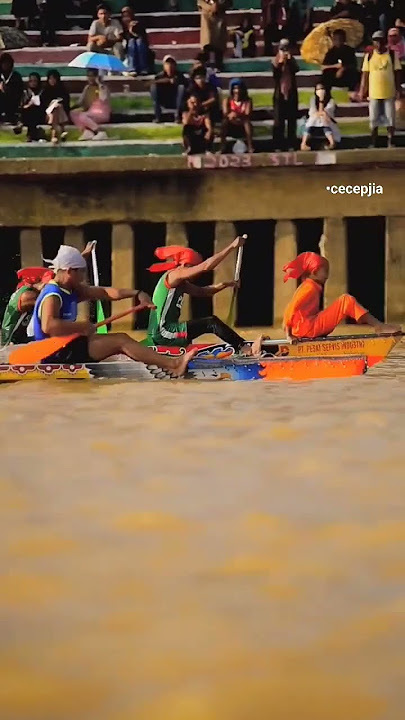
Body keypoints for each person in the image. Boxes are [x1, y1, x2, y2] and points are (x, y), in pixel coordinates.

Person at [31, 245, 197, 375]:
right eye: (81, 272)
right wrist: (81, 326)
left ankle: (161, 360)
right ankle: (175, 364)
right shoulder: (53, 294)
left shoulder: (71, 288)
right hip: (53, 353)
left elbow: (104, 292)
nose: (83, 277)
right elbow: (48, 325)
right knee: (121, 340)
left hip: (66, 346)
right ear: (69, 271)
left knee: (119, 340)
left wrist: (137, 293)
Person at [147, 238, 262, 354]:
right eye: (192, 267)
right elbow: (206, 266)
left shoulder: (179, 283)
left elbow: (203, 292)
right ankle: (244, 347)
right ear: (184, 264)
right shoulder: (174, 274)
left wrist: (225, 285)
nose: (195, 273)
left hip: (166, 331)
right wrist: (232, 246)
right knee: (210, 323)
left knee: (200, 327)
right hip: (163, 332)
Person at [282, 251, 400, 339]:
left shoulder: (310, 286)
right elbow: (291, 308)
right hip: (307, 329)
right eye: (325, 271)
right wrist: (288, 334)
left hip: (307, 327)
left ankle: (378, 325)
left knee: (342, 303)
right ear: (315, 272)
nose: (327, 276)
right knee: (346, 301)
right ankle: (378, 325)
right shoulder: (309, 288)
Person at [1, 242, 95, 346]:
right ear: (36, 283)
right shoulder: (26, 297)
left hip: (27, 338)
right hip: (12, 344)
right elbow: (57, 300)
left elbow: (63, 269)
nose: (52, 284)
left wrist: (83, 255)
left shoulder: (35, 289)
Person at [360, 30, 401, 148]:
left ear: (385, 42)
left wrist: (398, 89)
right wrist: (362, 90)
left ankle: (390, 141)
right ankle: (374, 142)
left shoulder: (392, 55)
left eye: (380, 41)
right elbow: (365, 74)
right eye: (376, 41)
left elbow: (397, 72)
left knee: (390, 118)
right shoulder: (369, 56)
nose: (378, 44)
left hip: (389, 91)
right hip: (374, 92)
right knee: (373, 119)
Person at [272, 38, 298, 151]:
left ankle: (291, 143)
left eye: (286, 48)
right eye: (282, 48)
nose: (284, 50)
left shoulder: (292, 60)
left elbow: (296, 69)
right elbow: (275, 75)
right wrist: (280, 63)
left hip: (291, 92)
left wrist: (290, 60)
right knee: (279, 120)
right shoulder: (274, 60)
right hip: (279, 93)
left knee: (292, 119)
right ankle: (278, 144)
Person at [322, 29, 361, 102]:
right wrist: (335, 66)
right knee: (325, 75)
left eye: (340, 39)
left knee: (355, 73)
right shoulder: (330, 52)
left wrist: (342, 68)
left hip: (346, 76)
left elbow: (353, 65)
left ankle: (353, 94)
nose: (338, 41)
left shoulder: (349, 50)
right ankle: (327, 96)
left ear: (344, 40)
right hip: (333, 76)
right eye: (335, 39)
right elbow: (323, 66)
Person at [70, 69, 110, 141]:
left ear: (97, 77)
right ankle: (86, 132)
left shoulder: (103, 87)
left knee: (83, 116)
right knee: (73, 113)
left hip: (101, 113)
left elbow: (103, 98)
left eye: (92, 76)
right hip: (90, 112)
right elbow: (80, 102)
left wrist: (99, 84)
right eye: (88, 76)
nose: (90, 78)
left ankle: (100, 132)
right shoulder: (87, 88)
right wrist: (70, 107)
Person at [300, 83, 341, 150]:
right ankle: (303, 144)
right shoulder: (313, 99)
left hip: (328, 121)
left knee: (323, 119)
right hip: (315, 122)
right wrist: (320, 112)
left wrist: (321, 100)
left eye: (322, 89)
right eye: (318, 89)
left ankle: (332, 143)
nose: (320, 91)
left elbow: (326, 113)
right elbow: (313, 112)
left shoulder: (331, 101)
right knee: (311, 120)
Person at [150, 55, 187, 123]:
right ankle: (157, 116)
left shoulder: (179, 75)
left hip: (176, 101)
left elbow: (186, 86)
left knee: (181, 88)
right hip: (164, 100)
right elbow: (150, 83)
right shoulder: (159, 76)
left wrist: (176, 82)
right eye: (167, 64)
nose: (169, 66)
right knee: (153, 87)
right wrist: (167, 80)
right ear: (164, 66)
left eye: (171, 64)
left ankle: (178, 116)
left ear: (175, 65)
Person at [221, 78, 254, 153]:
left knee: (247, 122)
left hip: (242, 126)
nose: (237, 91)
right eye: (235, 88)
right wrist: (232, 116)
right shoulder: (227, 100)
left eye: (239, 88)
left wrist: (236, 114)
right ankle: (222, 146)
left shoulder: (248, 101)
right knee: (224, 123)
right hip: (231, 126)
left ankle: (250, 146)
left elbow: (247, 113)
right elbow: (225, 113)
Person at [198, 0, 231, 72]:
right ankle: (207, 64)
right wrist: (209, 7)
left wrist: (218, 5)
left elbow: (229, 3)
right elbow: (200, 2)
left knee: (219, 42)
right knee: (207, 41)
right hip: (207, 15)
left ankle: (218, 64)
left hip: (220, 15)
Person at [41, 69, 70, 144]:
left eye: (54, 78)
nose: (52, 80)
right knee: (55, 108)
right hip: (48, 116)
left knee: (58, 107)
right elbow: (43, 106)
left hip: (61, 115)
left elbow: (66, 104)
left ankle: (54, 135)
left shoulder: (62, 90)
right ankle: (62, 131)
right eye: (50, 79)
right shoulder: (45, 91)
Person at [121, 6, 150, 76]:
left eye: (128, 15)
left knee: (139, 42)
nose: (127, 18)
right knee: (131, 42)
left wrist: (134, 31)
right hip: (127, 47)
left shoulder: (138, 24)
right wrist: (129, 31)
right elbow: (124, 38)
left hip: (140, 47)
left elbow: (144, 38)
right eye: (125, 16)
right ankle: (132, 69)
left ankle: (143, 68)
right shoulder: (120, 25)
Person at [19, 72, 45, 142]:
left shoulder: (43, 92)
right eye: (31, 81)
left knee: (33, 112)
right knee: (30, 112)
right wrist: (29, 105)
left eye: (35, 81)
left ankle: (30, 135)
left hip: (40, 115)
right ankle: (32, 135)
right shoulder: (25, 92)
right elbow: (22, 107)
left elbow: (45, 106)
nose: (33, 83)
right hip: (27, 116)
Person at [0, 53, 24, 125]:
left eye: (8, 63)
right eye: (3, 63)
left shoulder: (16, 76)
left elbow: (19, 92)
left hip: (13, 103)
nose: (5, 65)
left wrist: (7, 89)